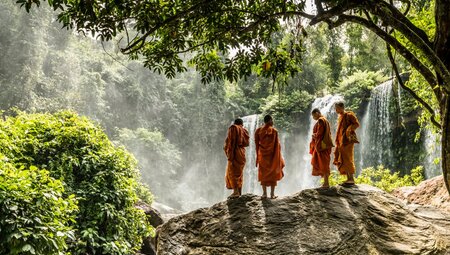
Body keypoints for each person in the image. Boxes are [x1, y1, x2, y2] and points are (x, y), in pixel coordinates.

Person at [255, 115, 284, 199]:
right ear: (270, 120)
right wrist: (278, 157)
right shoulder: (274, 131)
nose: (273, 122)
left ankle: (264, 194)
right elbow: (277, 145)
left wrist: (257, 156)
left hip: (263, 156)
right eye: (272, 120)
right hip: (272, 156)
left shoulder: (258, 131)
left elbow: (257, 144)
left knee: (263, 174)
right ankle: (272, 194)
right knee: (273, 174)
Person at [333, 102, 360, 187]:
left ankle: (351, 179)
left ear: (342, 107)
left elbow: (356, 124)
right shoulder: (340, 117)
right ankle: (348, 178)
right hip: (341, 141)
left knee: (348, 158)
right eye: (335, 108)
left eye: (337, 108)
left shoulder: (349, 115)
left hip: (347, 141)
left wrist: (349, 129)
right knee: (343, 159)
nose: (336, 110)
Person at [224, 118, 250, 198]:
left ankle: (235, 192)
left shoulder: (234, 128)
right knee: (239, 173)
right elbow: (247, 143)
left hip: (234, 153)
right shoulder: (244, 130)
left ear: (235, 123)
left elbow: (231, 142)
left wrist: (229, 153)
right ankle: (239, 192)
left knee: (233, 172)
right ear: (242, 124)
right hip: (241, 153)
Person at [309, 108, 334, 189]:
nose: (313, 118)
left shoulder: (321, 120)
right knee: (323, 163)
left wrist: (314, 135)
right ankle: (325, 182)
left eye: (313, 116)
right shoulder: (325, 120)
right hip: (325, 146)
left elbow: (320, 133)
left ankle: (326, 183)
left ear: (317, 113)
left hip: (322, 146)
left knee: (323, 164)